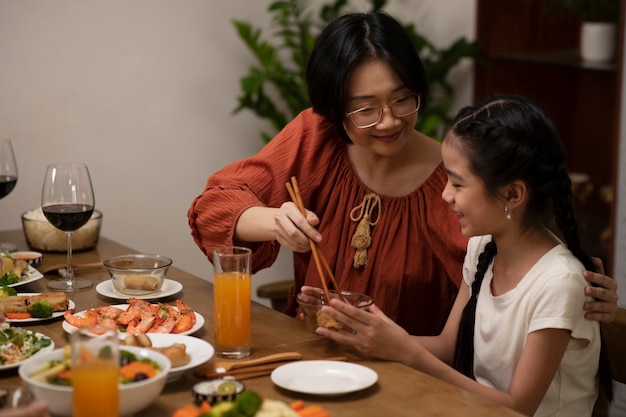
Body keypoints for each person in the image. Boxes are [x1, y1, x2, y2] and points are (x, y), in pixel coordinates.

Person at [187, 11, 617, 337]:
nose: (389, 121)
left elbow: (532, 272)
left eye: (402, 99)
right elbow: (214, 207)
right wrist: (275, 221)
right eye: (365, 108)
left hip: (415, 380)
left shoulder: (457, 184)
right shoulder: (316, 137)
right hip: (311, 361)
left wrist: (579, 285)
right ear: (332, 108)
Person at [316, 94, 612, 416]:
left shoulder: (558, 283)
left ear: (512, 195)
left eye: (457, 184)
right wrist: (368, 335)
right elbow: (448, 346)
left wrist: (407, 353)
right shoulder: (483, 247)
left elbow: (517, 408)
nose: (445, 195)